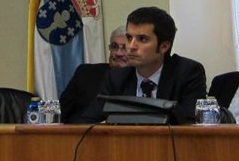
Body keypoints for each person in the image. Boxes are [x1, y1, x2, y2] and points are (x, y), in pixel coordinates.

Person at [74, 7, 207, 125]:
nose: (131, 46)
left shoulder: (187, 73)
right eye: (129, 37)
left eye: (142, 39)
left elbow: (190, 126)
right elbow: (85, 124)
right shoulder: (116, 78)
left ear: (164, 46)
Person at [60, 26, 128, 123]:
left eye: (125, 48)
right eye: (114, 46)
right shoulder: (85, 73)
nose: (118, 53)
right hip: (81, 129)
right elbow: (63, 112)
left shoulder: (140, 79)